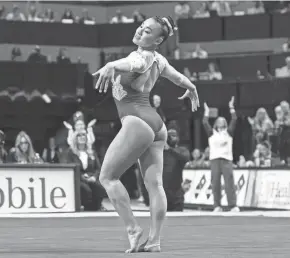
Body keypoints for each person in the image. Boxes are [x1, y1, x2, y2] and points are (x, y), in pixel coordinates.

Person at [92, 16, 199, 253]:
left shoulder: (139, 56)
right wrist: (191, 87)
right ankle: (154, 240)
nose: (141, 31)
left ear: (158, 40)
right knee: (154, 184)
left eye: (148, 31)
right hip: (155, 123)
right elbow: (177, 78)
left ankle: (133, 229)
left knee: (107, 178)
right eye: (142, 26)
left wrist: (112, 65)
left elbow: (135, 64)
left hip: (137, 120)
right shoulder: (159, 60)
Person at [202, 97, 239, 212]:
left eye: (223, 120)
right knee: (215, 183)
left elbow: (234, 119)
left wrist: (231, 107)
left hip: (226, 159)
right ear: (216, 123)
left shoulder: (229, 132)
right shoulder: (211, 133)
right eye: (219, 120)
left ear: (225, 123)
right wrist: (206, 112)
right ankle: (217, 205)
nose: (221, 120)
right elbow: (204, 122)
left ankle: (232, 205)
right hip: (214, 160)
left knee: (229, 183)